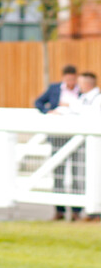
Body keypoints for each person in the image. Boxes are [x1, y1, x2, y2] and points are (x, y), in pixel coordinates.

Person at [45, 71, 100, 221]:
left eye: (80, 83)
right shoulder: (82, 98)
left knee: (84, 175)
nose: (78, 86)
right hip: (69, 140)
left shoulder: (96, 99)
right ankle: (68, 211)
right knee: (68, 174)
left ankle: (90, 212)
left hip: (88, 144)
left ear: (87, 84)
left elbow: (90, 115)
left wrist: (69, 107)